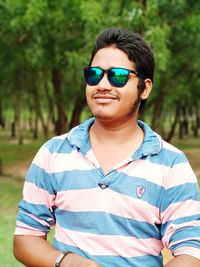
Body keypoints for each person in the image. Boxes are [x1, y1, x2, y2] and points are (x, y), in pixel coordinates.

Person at [13, 28, 200, 267]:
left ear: (145, 88)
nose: (102, 85)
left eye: (118, 76)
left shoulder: (171, 165)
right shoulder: (53, 153)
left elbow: (191, 252)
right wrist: (69, 263)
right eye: (94, 75)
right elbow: (25, 238)